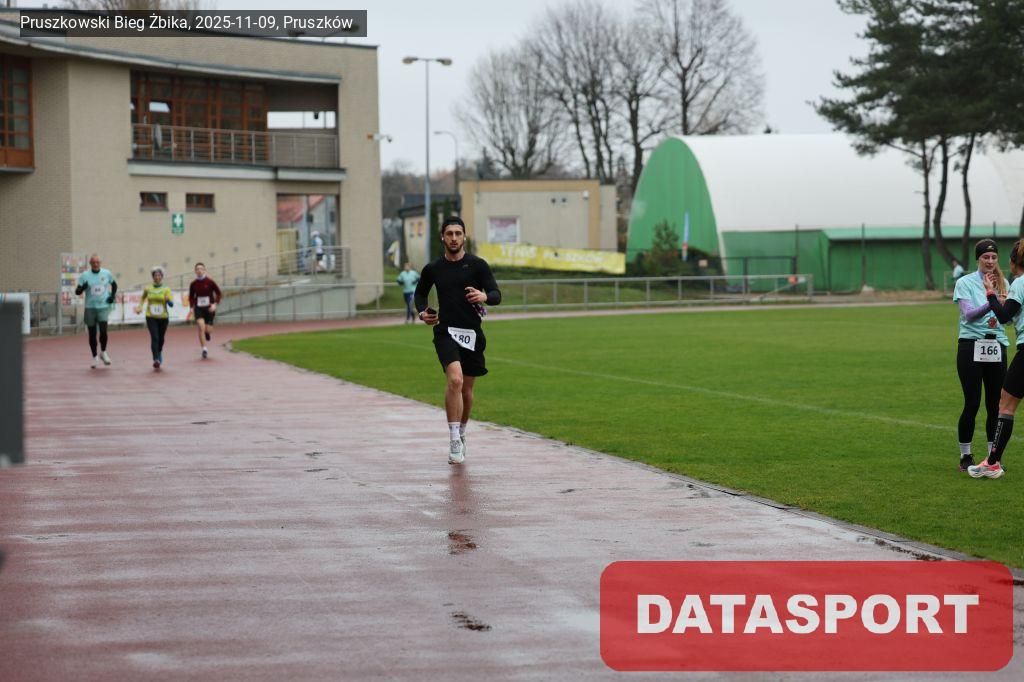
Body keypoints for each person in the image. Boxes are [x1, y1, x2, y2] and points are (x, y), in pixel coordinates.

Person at [414, 216, 501, 464]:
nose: (454, 238)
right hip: (445, 332)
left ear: (464, 236)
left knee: (467, 390)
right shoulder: (433, 268)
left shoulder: (478, 265)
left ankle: (462, 432)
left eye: (458, 233)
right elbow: (420, 294)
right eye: (449, 233)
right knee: (455, 380)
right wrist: (422, 312)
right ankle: (453, 439)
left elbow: (496, 294)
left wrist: (484, 296)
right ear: (442, 237)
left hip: (472, 333)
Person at [967, 239, 1024, 478]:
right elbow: (1010, 315)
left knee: (1005, 405)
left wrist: (990, 293)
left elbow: (1002, 317)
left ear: (1012, 262)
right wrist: (1002, 304)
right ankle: (992, 461)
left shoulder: (1019, 283)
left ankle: (992, 463)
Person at [953, 239, 1009, 471]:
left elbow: (1007, 317)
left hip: (997, 345)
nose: (990, 261)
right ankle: (965, 455)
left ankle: (992, 457)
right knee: (972, 403)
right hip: (971, 345)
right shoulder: (964, 282)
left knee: (995, 405)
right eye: (986, 257)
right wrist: (991, 299)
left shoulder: (1004, 282)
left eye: (994, 257)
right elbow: (968, 315)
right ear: (978, 259)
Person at [75, 253, 118, 369]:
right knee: (92, 334)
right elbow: (77, 292)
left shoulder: (106, 273)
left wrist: (112, 296)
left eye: (97, 262)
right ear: (90, 263)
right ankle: (94, 357)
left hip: (103, 307)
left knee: (103, 331)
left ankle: (103, 352)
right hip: (90, 308)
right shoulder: (85, 275)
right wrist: (82, 288)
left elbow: (114, 285)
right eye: (93, 262)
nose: (95, 264)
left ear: (100, 263)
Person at [135, 266, 174, 370]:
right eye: (155, 275)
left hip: (163, 317)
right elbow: (142, 298)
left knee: (161, 338)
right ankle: (156, 359)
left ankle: (159, 351)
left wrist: (168, 300)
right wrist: (140, 307)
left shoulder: (166, 289)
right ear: (153, 277)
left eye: (159, 275)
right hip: (151, 317)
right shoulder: (148, 288)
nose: (157, 277)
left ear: (162, 277)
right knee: (155, 337)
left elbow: (171, 304)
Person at [188, 262, 222, 359]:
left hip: (209, 308)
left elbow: (218, 293)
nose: (199, 270)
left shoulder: (210, 282)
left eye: (201, 269)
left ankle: (207, 333)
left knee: (208, 330)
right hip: (198, 308)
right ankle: (204, 349)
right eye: (197, 269)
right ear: (195, 271)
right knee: (201, 327)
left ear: (204, 270)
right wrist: (191, 307)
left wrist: (215, 304)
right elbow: (191, 296)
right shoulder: (193, 284)